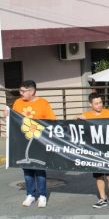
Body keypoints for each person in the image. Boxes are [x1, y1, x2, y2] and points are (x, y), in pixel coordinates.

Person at [11, 80, 56, 208]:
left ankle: (42, 195)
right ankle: (30, 194)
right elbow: (13, 119)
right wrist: (6, 115)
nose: (20, 93)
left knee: (39, 169)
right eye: (20, 91)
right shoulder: (18, 102)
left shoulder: (43, 103)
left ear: (32, 91)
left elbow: (51, 120)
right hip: (23, 141)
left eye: (23, 91)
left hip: (39, 141)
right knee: (27, 169)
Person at [79, 93, 109, 210]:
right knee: (99, 176)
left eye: (101, 102)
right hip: (95, 151)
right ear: (90, 104)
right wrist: (79, 119)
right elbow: (75, 125)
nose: (99, 105)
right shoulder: (86, 115)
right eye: (96, 103)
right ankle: (102, 199)